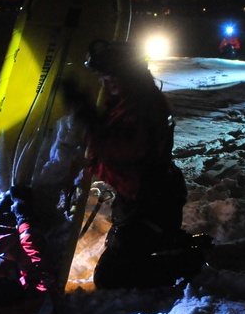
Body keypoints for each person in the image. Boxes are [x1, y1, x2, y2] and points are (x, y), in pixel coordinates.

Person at [63, 40, 207, 289]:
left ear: (127, 76)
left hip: (152, 202)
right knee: (123, 251)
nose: (105, 84)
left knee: (110, 277)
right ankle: (167, 241)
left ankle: (186, 261)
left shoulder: (144, 107)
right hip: (141, 197)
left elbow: (122, 150)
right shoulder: (130, 100)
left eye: (110, 78)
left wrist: (87, 120)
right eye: (103, 79)